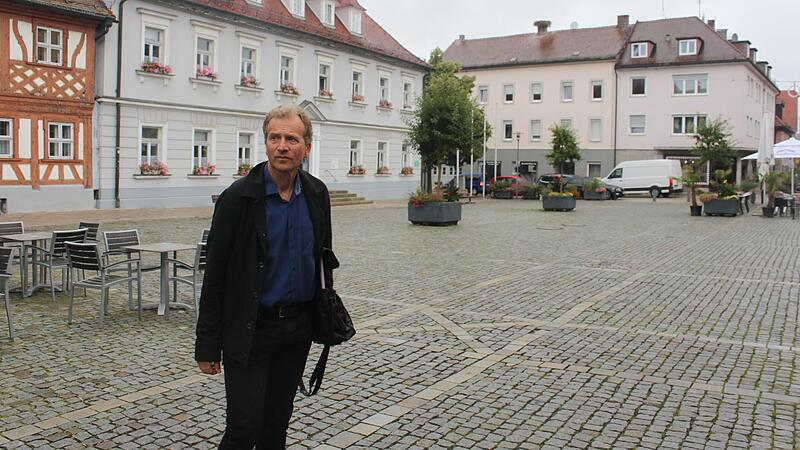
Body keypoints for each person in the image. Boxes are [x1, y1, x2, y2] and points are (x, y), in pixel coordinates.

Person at [195, 105, 335, 449]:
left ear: (307, 148)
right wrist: (207, 344)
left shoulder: (316, 194)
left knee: (276, 426)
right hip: (251, 329)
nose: (282, 146)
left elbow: (323, 258)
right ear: (266, 143)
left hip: (297, 330)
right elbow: (215, 275)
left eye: (291, 139)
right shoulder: (238, 199)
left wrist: (324, 313)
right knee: (243, 430)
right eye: (275, 138)